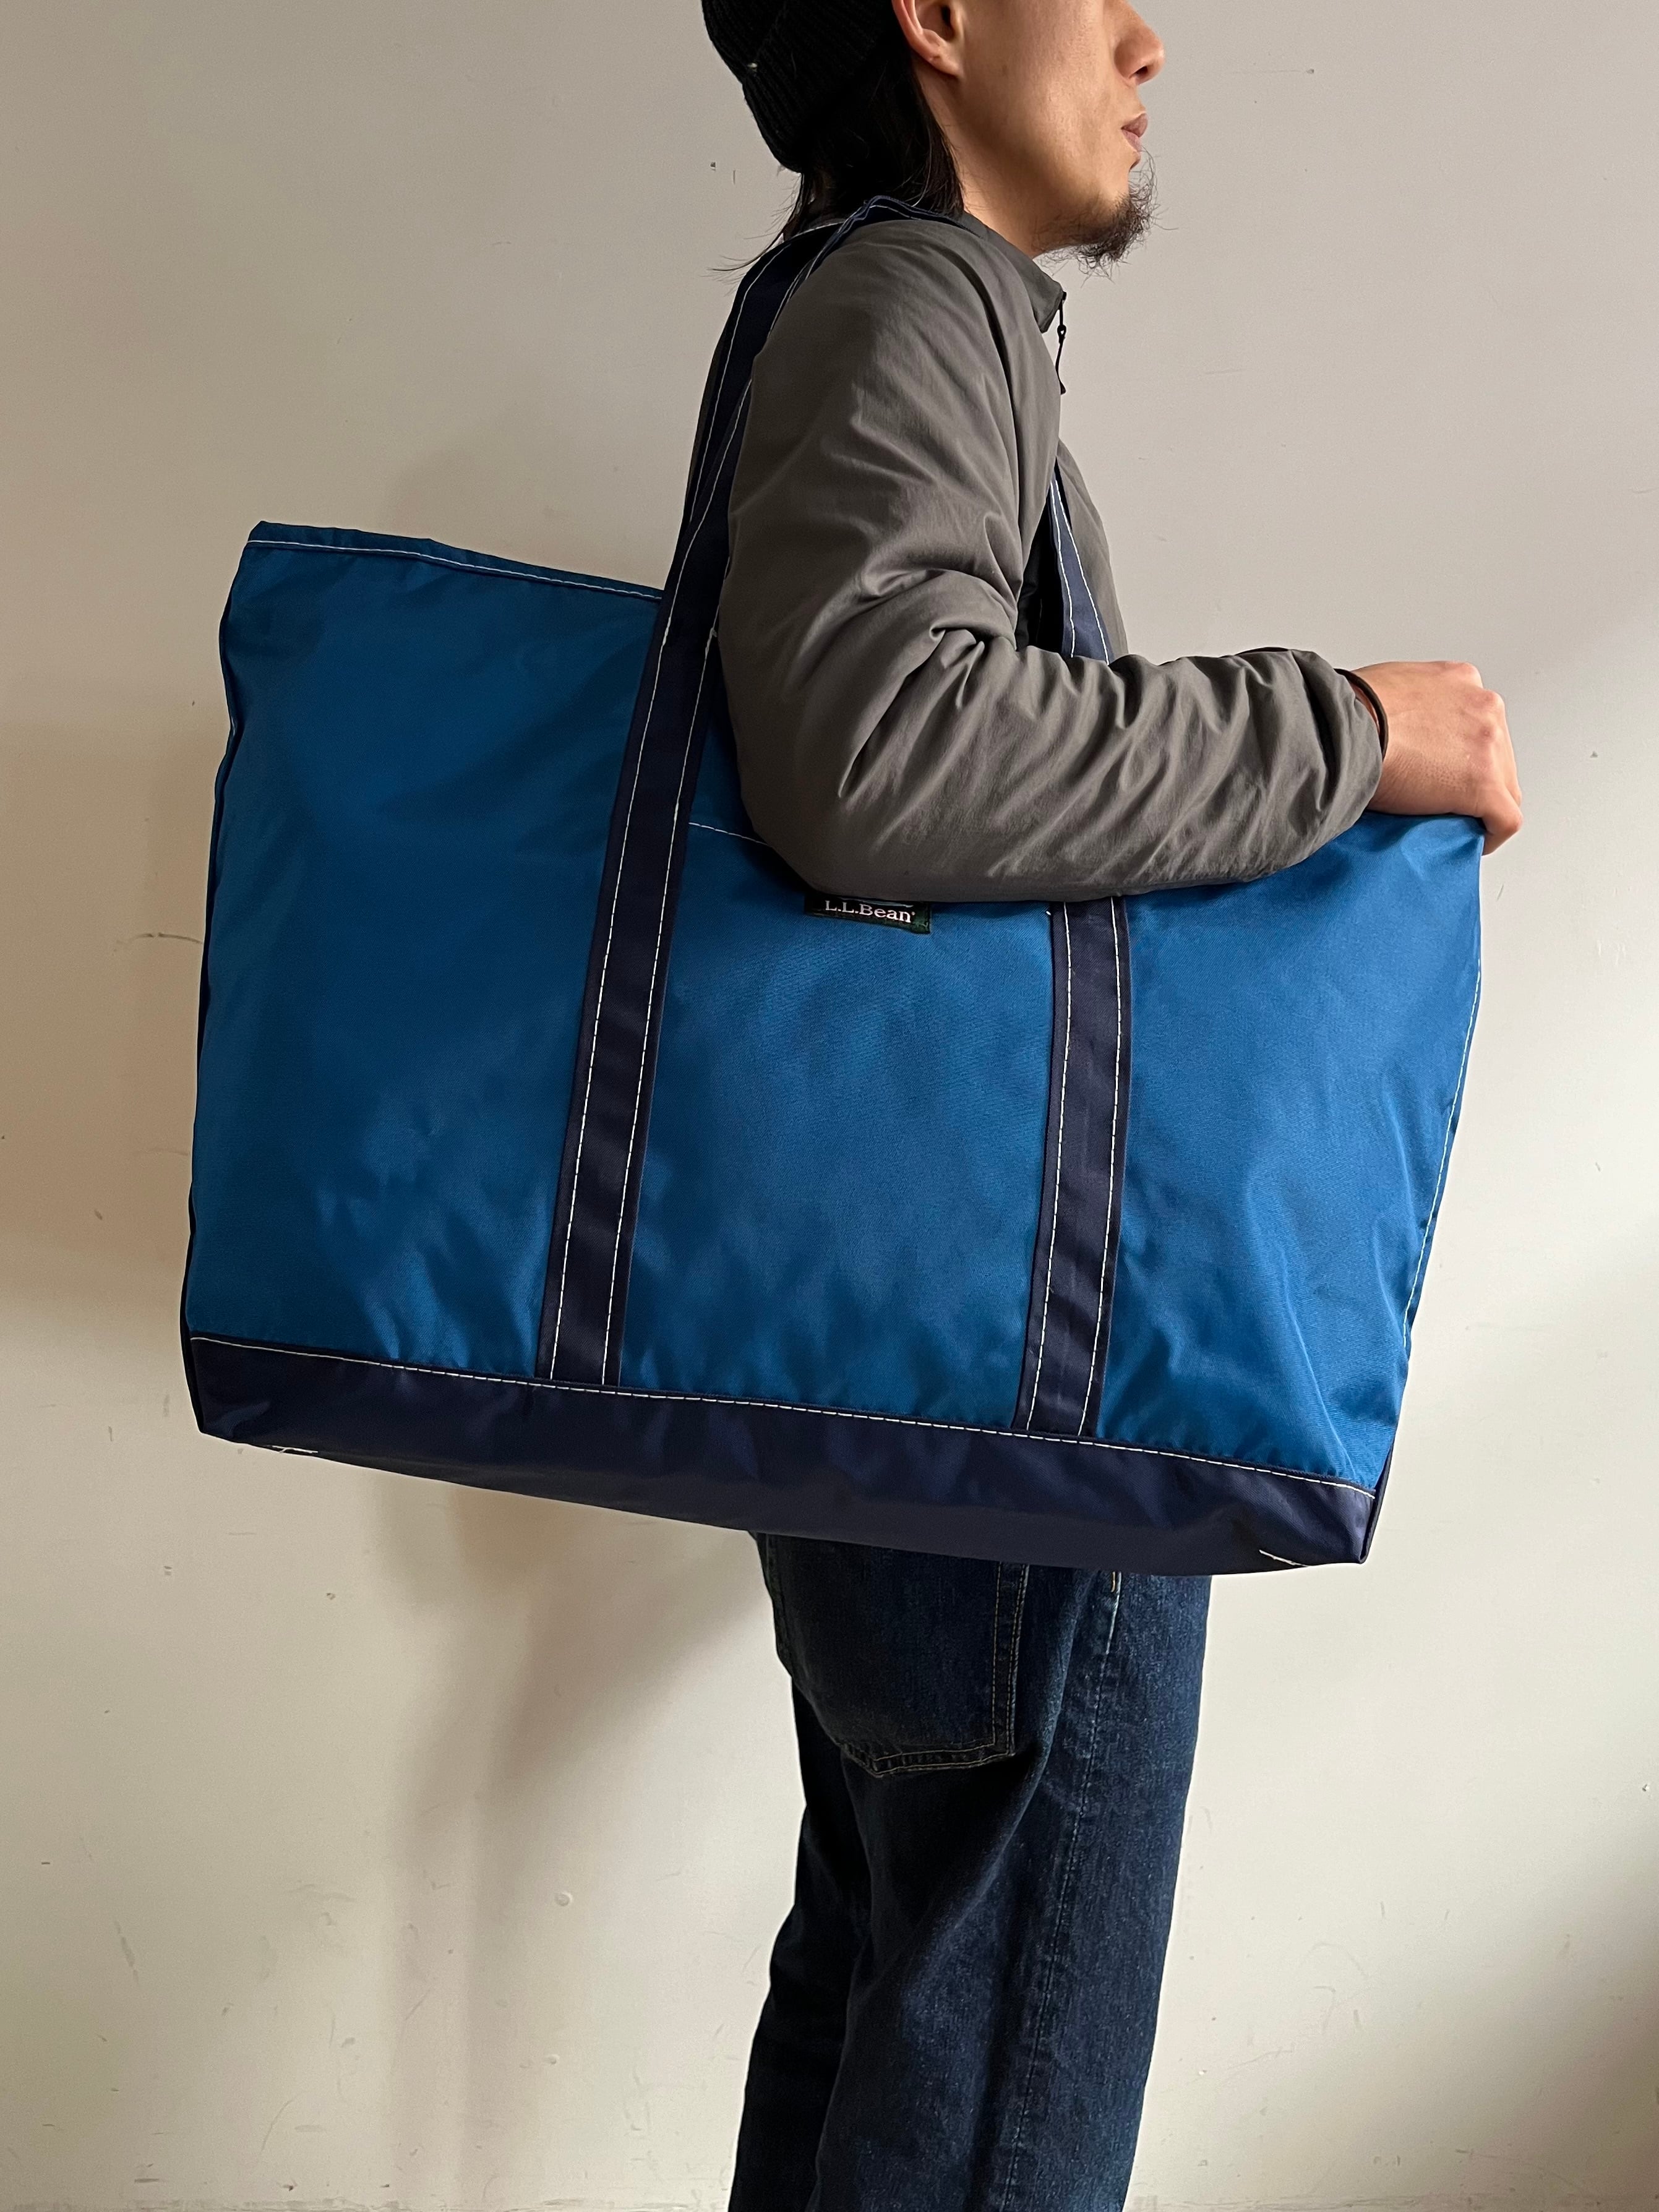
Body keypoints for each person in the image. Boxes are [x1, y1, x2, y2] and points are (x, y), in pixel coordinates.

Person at [700, 2, 1524, 2205]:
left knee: (894, 1995)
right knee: (994, 2101)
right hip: (1016, 1387)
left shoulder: (905, 304)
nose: (1148, 35)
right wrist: (1344, 729)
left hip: (931, 1341)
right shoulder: (917, 294)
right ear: (938, 20)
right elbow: (874, 756)